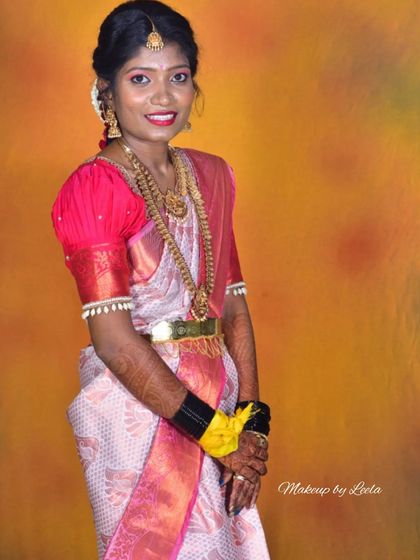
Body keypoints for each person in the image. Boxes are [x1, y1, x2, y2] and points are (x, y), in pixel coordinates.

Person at [51, 1, 272, 558]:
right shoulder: (93, 189)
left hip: (219, 395)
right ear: (107, 89)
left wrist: (252, 424)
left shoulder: (214, 175)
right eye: (140, 79)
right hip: (137, 409)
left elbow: (234, 306)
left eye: (178, 78)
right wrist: (217, 436)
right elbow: (115, 342)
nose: (163, 97)